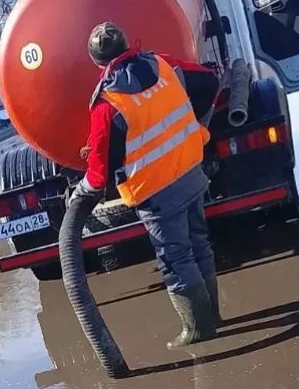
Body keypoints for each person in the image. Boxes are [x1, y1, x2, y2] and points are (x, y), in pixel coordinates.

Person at [71, 21, 221, 347]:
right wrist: (196, 125)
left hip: (156, 192)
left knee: (175, 258)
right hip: (190, 170)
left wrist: (83, 191)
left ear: (97, 63)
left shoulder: (107, 103)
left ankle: (198, 329)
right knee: (199, 243)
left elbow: (99, 174)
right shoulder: (163, 64)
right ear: (128, 44)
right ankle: (213, 316)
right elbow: (209, 81)